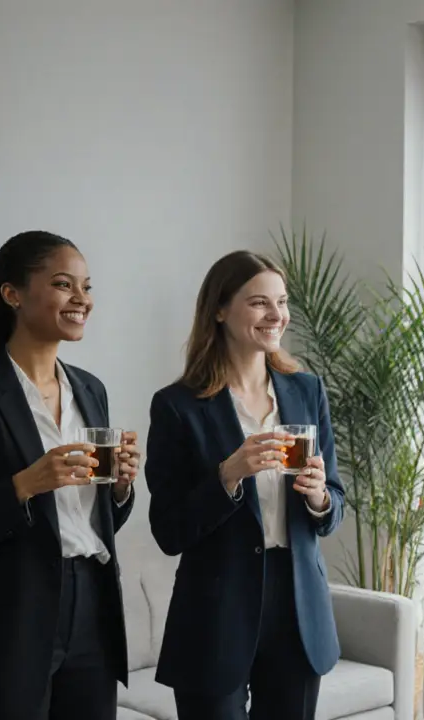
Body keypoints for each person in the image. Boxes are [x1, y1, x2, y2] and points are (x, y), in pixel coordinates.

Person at [145, 250, 345, 720]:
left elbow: (334, 502)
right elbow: (169, 531)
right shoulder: (177, 406)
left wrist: (319, 497)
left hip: (298, 607)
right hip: (215, 611)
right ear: (219, 309)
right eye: (260, 303)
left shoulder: (306, 391)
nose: (277, 315)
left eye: (282, 301)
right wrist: (228, 474)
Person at [0, 230, 141, 720]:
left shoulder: (91, 389)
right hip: (10, 613)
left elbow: (92, 519)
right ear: (12, 294)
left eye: (86, 287)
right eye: (64, 284)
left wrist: (121, 488)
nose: (81, 299)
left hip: (93, 602)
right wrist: (25, 484)